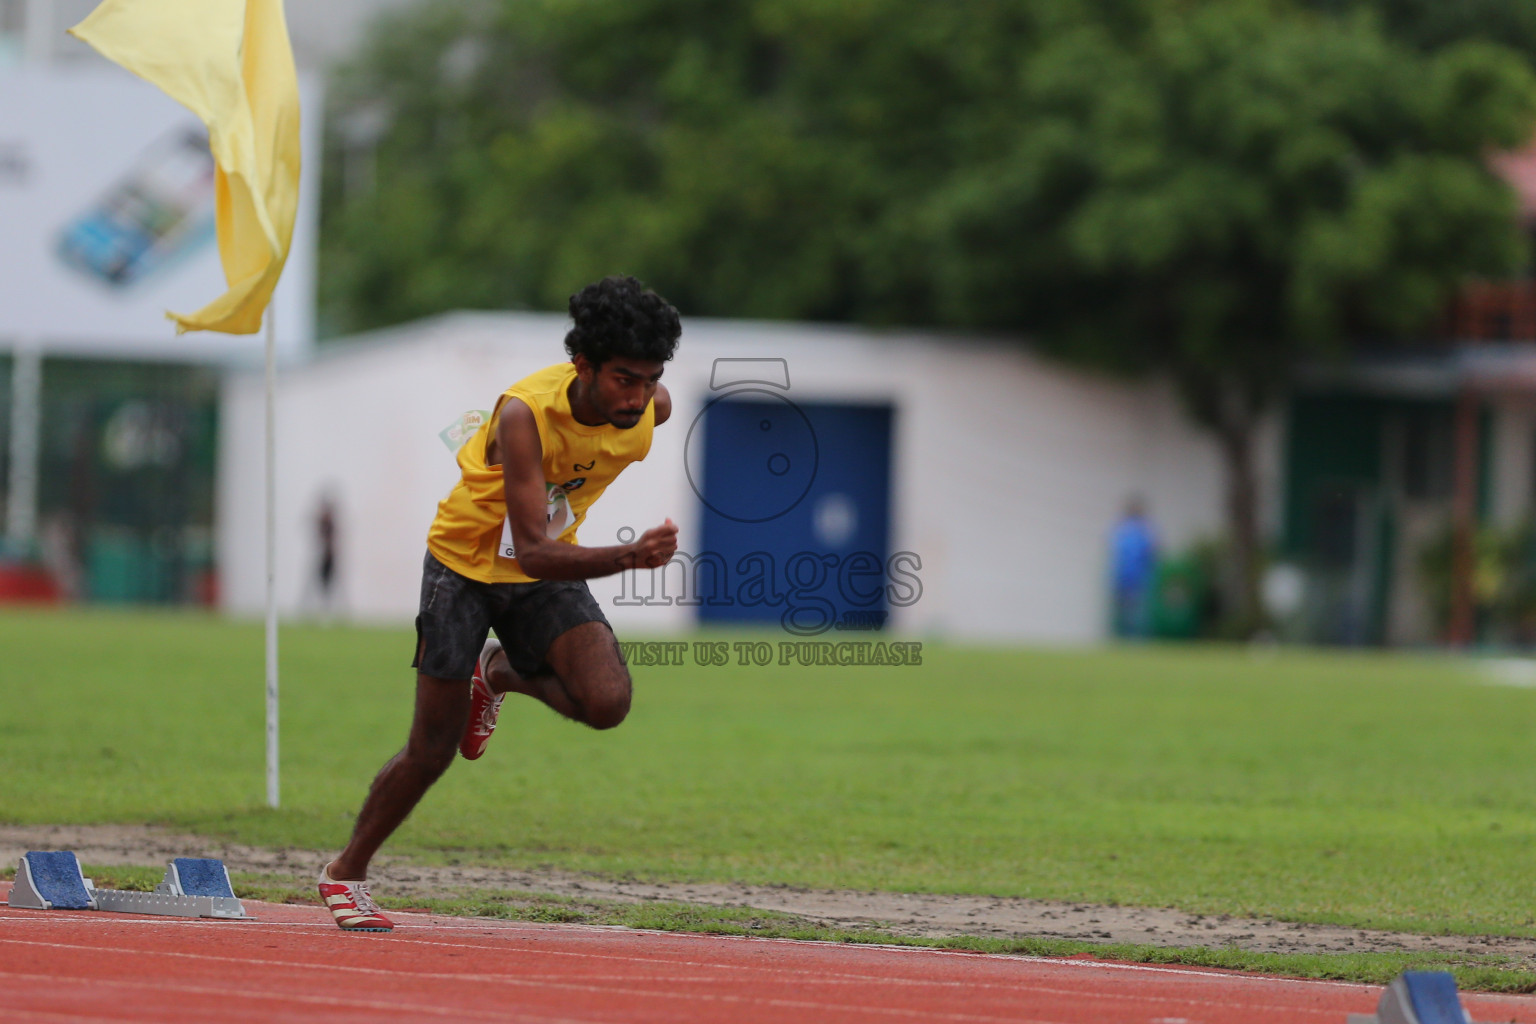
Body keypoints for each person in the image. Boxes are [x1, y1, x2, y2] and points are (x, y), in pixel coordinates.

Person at [317, 276, 682, 932]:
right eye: (624, 379)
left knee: (607, 703)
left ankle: (500, 672)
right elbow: (533, 550)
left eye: (650, 377)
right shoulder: (525, 414)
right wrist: (629, 556)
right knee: (433, 749)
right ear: (584, 366)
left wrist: (604, 551)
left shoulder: (655, 407)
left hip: (546, 564)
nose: (638, 395)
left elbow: (543, 555)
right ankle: (345, 871)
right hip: (466, 569)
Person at [1109, 496, 1158, 640]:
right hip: (1126, 579)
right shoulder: (1125, 530)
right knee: (1126, 615)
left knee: (1138, 615)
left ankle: (1137, 642)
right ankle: (1126, 641)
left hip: (1139, 579)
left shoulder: (1142, 531)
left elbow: (1151, 555)